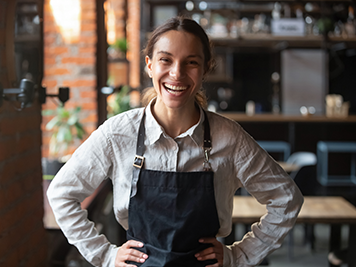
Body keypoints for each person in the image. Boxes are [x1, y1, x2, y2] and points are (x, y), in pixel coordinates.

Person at [47, 16, 303, 267]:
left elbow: (286, 199)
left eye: (191, 62)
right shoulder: (118, 133)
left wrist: (239, 255)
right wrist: (105, 255)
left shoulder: (230, 137)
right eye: (165, 60)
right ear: (149, 65)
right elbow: (61, 193)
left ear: (205, 69)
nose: (176, 73)